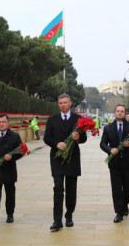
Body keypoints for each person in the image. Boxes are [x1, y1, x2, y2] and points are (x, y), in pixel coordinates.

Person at [44, 94, 87, 232]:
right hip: (57, 158)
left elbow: (84, 138)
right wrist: (56, 144)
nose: (62, 105)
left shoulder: (78, 119)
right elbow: (46, 138)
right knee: (57, 188)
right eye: (60, 103)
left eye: (65, 102)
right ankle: (57, 221)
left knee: (71, 189)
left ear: (70, 103)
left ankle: (69, 215)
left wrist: (78, 137)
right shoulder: (52, 119)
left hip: (72, 158)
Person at [100, 105, 129, 223]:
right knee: (116, 188)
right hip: (114, 163)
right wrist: (110, 149)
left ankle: (125, 204)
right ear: (114, 113)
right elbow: (102, 144)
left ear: (125, 113)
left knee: (128, 187)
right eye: (118, 111)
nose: (120, 113)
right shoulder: (108, 128)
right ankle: (119, 212)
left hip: (128, 162)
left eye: (122, 111)